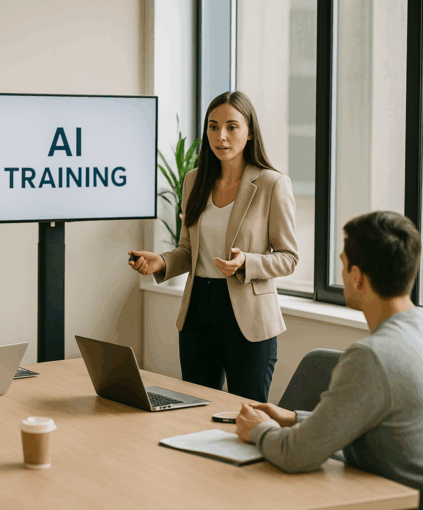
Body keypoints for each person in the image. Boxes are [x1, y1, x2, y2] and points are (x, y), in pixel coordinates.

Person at [236, 211, 423, 506]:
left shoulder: (370, 357)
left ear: (357, 277)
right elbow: (379, 418)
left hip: (384, 500)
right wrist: (295, 418)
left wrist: (258, 429)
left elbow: (296, 454)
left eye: (343, 265)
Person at [129, 91, 298, 402]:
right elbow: (187, 251)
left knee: (244, 412)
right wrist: (161, 262)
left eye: (232, 127)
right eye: (213, 126)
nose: (221, 136)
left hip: (248, 315)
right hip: (198, 310)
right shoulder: (194, 180)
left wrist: (246, 262)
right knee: (193, 409)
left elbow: (289, 258)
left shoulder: (272, 184)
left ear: (250, 133)